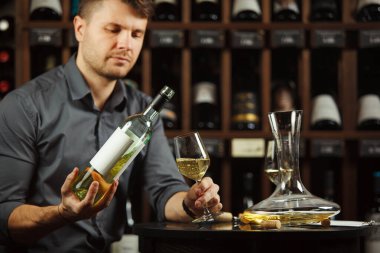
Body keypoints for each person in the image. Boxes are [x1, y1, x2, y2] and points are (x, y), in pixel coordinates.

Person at [0, 0, 222, 251]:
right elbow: (5, 214)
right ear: (80, 28)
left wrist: (190, 203)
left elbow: (165, 191)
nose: (126, 44)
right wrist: (62, 213)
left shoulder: (143, 109)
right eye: (113, 29)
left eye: (136, 33)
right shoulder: (25, 106)